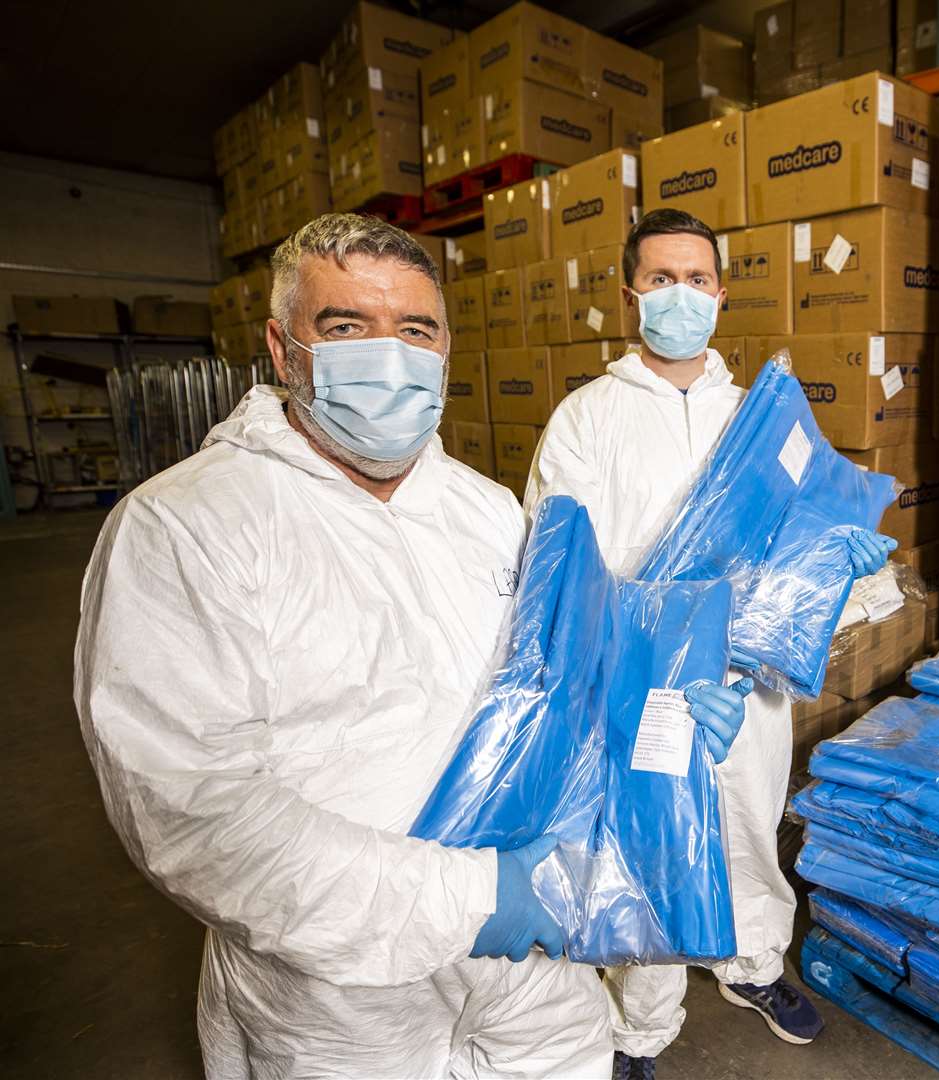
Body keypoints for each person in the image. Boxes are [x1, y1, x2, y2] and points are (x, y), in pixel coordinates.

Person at [73, 213, 752, 1078]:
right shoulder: (190, 527)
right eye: (348, 327)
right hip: (341, 1001)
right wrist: (475, 898)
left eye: (415, 330)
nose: (387, 355)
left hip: (529, 972)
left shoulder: (487, 511)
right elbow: (196, 813)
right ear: (284, 352)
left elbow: (563, 685)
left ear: (442, 355)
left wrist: (659, 708)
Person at [525, 208, 896, 1079]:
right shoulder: (587, 419)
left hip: (747, 682)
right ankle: (641, 1026)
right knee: (651, 842)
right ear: (630, 298)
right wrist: (632, 657)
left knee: (748, 827)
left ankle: (754, 967)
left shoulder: (763, 418)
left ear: (721, 294)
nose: (680, 296)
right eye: (660, 280)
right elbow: (559, 559)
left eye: (697, 279)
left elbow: (805, 528)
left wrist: (847, 565)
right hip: (641, 682)